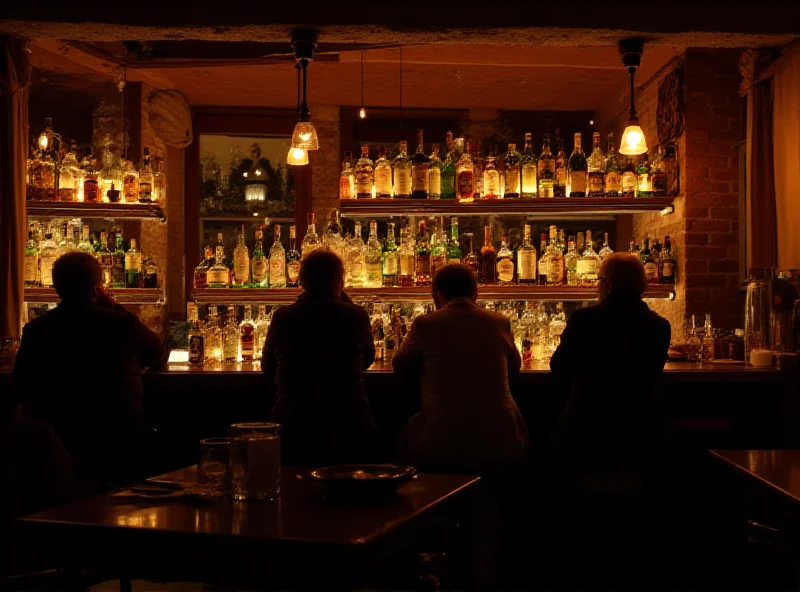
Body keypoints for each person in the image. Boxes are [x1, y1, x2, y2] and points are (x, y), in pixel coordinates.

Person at [13, 252, 167, 488]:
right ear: (98, 286)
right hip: (122, 439)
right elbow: (158, 353)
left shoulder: (36, 330)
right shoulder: (121, 324)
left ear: (56, 287)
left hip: (58, 447)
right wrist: (115, 306)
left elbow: (20, 386)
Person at [392, 263, 530, 473]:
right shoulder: (500, 322)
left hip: (442, 438)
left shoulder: (425, 324)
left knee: (401, 437)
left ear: (438, 295)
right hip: (503, 435)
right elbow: (515, 367)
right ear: (475, 293)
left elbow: (400, 365)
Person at [549, 252, 672, 463]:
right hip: (644, 435)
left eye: (599, 281)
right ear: (644, 287)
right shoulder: (660, 326)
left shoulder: (583, 320)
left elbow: (558, 367)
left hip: (584, 432)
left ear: (607, 285)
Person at [262, 249, 380, 466]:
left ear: (302, 280)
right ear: (339, 281)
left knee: (292, 492)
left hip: (293, 422)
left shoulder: (284, 317)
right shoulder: (355, 315)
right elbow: (367, 359)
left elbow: (267, 367)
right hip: (349, 420)